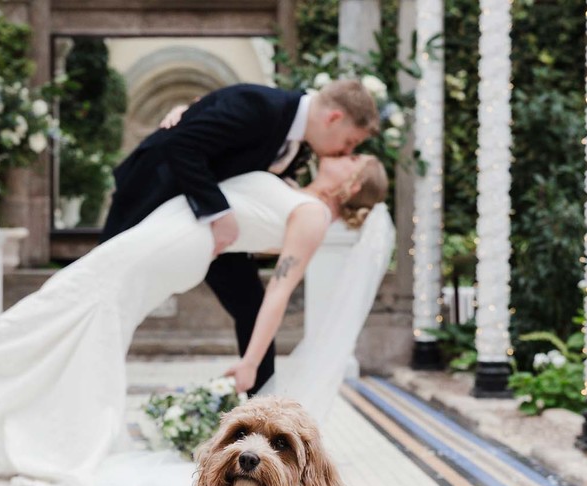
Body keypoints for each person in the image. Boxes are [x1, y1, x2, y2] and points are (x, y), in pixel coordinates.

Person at [0, 156, 388, 486]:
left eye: (352, 157)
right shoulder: (290, 176)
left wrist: (251, 361)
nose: (343, 151)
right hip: (171, 230)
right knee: (80, 310)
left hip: (176, 244)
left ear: (350, 183)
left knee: (73, 297)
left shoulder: (313, 217)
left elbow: (277, 291)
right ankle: (12, 399)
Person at [100, 79, 379, 392]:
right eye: (351, 143)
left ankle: (262, 407)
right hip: (153, 196)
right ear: (334, 119)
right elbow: (182, 144)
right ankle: (92, 382)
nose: (347, 151)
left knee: (251, 306)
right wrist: (218, 214)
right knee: (106, 289)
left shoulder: (301, 146)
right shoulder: (258, 104)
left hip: (215, 230)